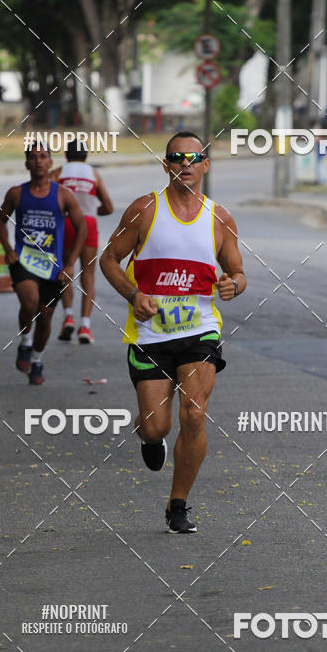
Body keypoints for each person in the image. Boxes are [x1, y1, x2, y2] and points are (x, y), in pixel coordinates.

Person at [99, 132, 246, 533]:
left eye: (193, 158)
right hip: (150, 334)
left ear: (205, 165)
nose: (185, 164)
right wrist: (133, 295)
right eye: (177, 157)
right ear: (166, 165)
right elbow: (108, 259)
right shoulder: (145, 210)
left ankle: (177, 504)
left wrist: (234, 284)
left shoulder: (220, 218)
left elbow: (237, 272)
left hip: (200, 331)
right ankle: (150, 438)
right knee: (156, 426)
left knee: (194, 414)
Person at [0, 144, 86, 384]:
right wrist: (8, 249)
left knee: (45, 317)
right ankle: (25, 342)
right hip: (24, 259)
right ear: (27, 164)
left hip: (52, 266)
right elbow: (0, 219)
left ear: (50, 163)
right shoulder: (16, 193)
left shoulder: (64, 195)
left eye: (43, 156)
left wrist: (70, 264)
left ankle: (36, 359)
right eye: (33, 157)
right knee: (30, 301)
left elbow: (82, 228)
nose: (38, 161)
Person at [51, 138, 113, 343]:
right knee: (88, 277)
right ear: (86, 156)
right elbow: (109, 207)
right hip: (88, 224)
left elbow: (47, 200)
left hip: (66, 224)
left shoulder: (58, 173)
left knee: (65, 271)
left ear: (66, 155)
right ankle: (85, 326)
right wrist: (91, 211)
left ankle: (68, 317)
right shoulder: (94, 174)